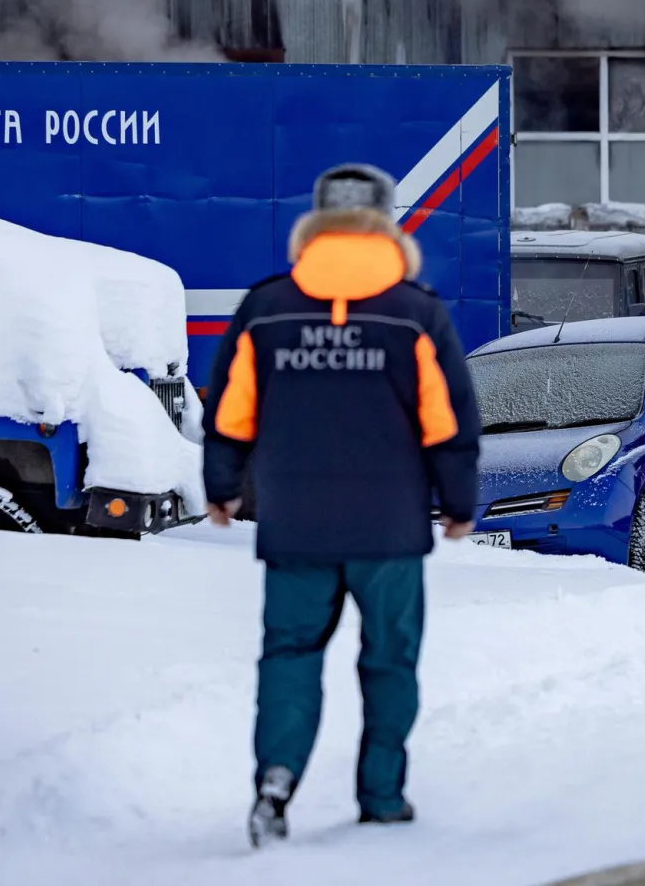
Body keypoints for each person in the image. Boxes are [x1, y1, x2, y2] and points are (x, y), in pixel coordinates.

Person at [202, 163, 481, 847]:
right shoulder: (416, 313)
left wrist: (222, 485)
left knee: (290, 653)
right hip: (389, 530)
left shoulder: (268, 307)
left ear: (315, 227)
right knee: (390, 658)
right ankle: (382, 796)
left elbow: (231, 411)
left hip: (295, 522)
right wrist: (459, 502)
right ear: (386, 227)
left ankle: (275, 779)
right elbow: (447, 421)